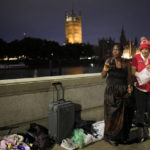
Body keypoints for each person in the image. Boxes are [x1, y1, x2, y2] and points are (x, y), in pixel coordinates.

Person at [102, 44, 133, 146]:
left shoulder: (126, 63)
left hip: (123, 92)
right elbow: (103, 76)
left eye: (118, 50)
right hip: (111, 92)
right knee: (111, 115)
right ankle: (110, 137)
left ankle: (122, 137)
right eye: (114, 50)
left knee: (123, 116)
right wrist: (106, 67)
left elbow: (129, 78)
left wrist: (129, 90)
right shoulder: (109, 61)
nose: (115, 52)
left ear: (121, 52)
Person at [131, 37, 150, 128]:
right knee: (140, 108)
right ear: (140, 49)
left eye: (147, 49)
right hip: (139, 87)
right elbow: (133, 71)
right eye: (143, 49)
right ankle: (140, 126)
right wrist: (142, 74)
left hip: (149, 87)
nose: (145, 51)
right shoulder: (136, 57)